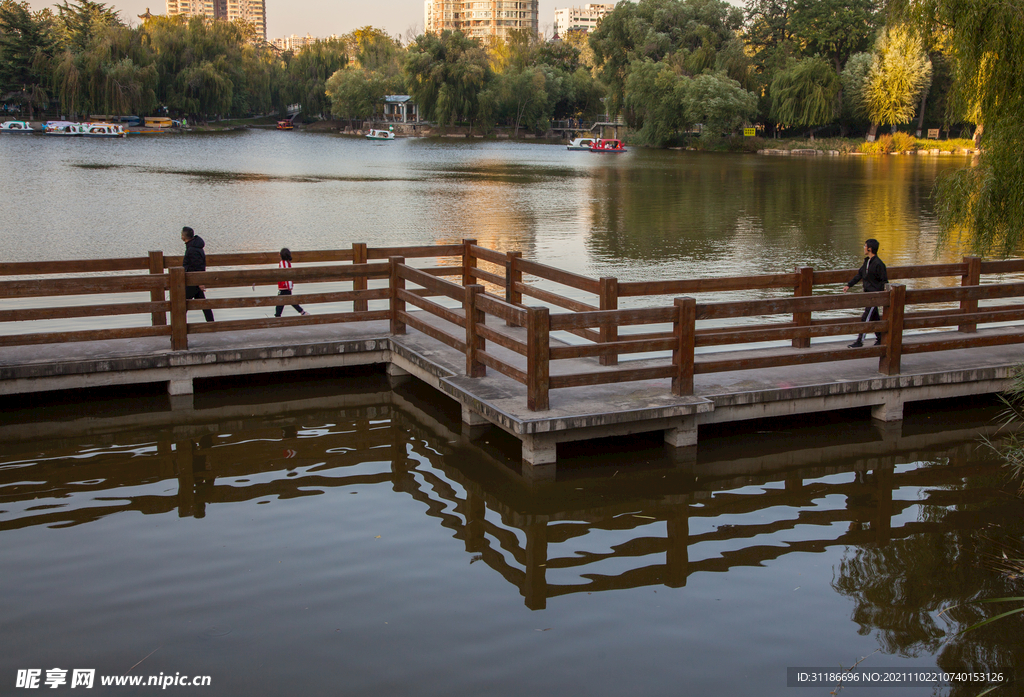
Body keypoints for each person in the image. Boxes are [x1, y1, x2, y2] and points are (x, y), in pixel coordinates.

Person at [843, 238, 887, 347]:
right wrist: (849, 285)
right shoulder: (867, 262)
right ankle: (881, 338)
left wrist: (881, 295)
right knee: (875, 317)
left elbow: (884, 281)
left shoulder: (879, 264)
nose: (864, 248)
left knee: (865, 318)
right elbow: (859, 275)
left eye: (865, 246)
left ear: (870, 249)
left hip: (874, 296)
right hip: (867, 295)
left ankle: (860, 341)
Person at [181, 226, 214, 322]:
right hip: (194, 280)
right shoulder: (194, 246)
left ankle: (178, 326)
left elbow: (197, 266)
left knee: (182, 305)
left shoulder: (192, 249)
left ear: (183, 236)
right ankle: (211, 323)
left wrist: (200, 282)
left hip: (193, 281)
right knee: (203, 304)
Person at [275, 248, 309, 317]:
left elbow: (287, 274)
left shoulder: (284, 263)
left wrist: (289, 286)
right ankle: (302, 312)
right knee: (287, 301)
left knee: (281, 302)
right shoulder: (286, 263)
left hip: (284, 287)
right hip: (285, 286)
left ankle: (277, 316)